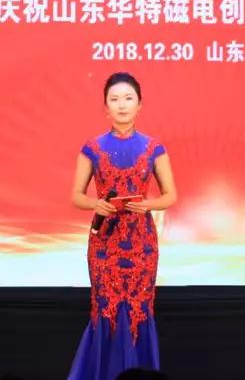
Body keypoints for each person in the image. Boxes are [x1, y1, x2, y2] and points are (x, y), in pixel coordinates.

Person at [67, 72, 178, 380]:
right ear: (105, 107)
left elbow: (171, 195)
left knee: (139, 309)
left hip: (142, 244)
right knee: (106, 309)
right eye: (114, 99)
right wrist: (96, 204)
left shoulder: (154, 147)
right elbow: (76, 195)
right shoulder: (92, 147)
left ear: (139, 104)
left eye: (128, 98)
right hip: (105, 242)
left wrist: (148, 205)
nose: (122, 105)